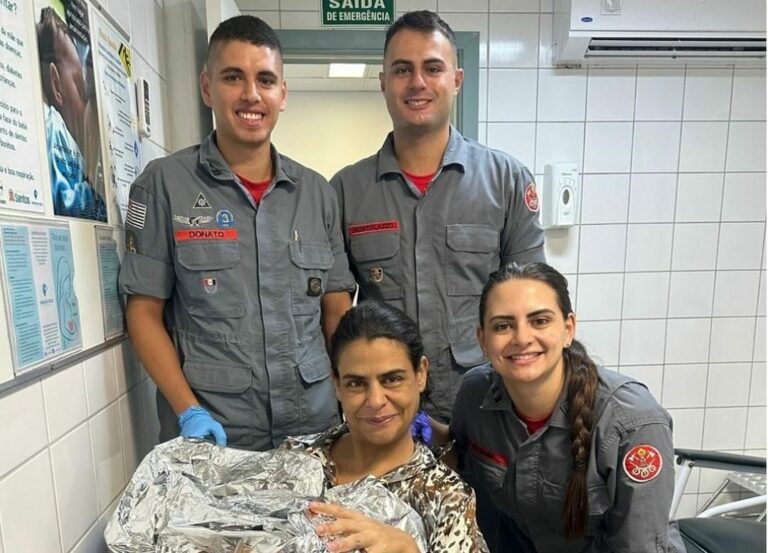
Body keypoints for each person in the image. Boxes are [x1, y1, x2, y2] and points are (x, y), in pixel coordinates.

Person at [118, 15, 354, 451]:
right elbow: (143, 314)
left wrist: (353, 398)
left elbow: (336, 314)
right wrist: (187, 410)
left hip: (311, 430)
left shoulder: (317, 194)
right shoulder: (164, 185)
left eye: (265, 79)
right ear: (207, 87)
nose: (251, 94)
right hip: (214, 435)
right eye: (233, 77)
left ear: (282, 94)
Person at [330, 10, 545, 424]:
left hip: (489, 407)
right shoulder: (345, 191)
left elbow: (532, 302)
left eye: (432, 68)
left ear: (457, 79)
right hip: (387, 412)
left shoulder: (505, 180)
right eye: (402, 70)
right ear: (383, 83)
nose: (417, 82)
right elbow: (338, 315)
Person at [450, 262, 686, 553]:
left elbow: (638, 546)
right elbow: (455, 456)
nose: (522, 338)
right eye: (503, 326)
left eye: (540, 321)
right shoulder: (475, 394)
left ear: (568, 329)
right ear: (483, 340)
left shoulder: (632, 422)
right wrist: (411, 420)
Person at [282, 301, 488, 553]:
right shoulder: (296, 459)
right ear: (336, 383)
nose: (376, 400)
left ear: (420, 374)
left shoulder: (447, 499)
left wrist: (408, 549)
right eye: (356, 383)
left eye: (392, 379)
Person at [37, 7, 107, 221]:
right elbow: (66, 202)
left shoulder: (74, 147)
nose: (87, 105)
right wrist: (98, 196)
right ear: (57, 85)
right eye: (81, 87)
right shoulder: (55, 128)